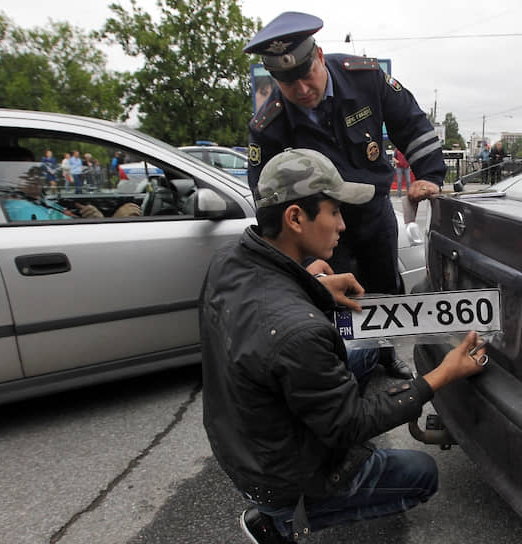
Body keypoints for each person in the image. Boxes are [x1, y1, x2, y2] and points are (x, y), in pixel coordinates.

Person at [200, 148, 488, 544]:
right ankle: (280, 523)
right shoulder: (298, 333)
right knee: (423, 474)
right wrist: (442, 374)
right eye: (333, 211)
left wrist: (309, 286)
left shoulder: (228, 261)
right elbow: (351, 424)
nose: (342, 225)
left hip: (243, 439)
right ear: (296, 218)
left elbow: (262, 315)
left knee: (366, 346)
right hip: (280, 478)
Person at [244, 11, 444, 380]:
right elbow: (265, 200)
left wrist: (428, 175)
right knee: (341, 298)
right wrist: (297, 260)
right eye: (289, 84)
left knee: (384, 286)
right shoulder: (269, 123)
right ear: (275, 80)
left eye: (306, 75)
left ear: (319, 57)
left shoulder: (364, 77)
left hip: (373, 209)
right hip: (321, 226)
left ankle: (386, 358)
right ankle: (350, 372)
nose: (302, 90)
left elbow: (412, 124)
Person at [2, 166, 141, 221]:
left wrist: (95, 218)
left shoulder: (37, 200)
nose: (35, 176)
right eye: (27, 172)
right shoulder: (18, 209)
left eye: (36, 171)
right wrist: (114, 221)